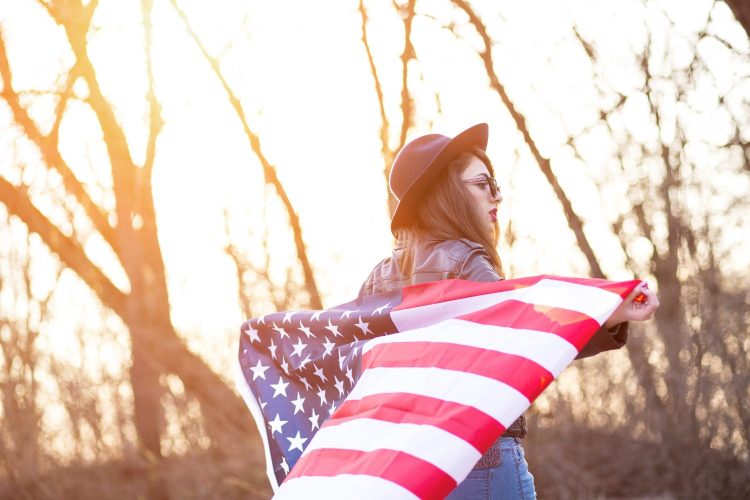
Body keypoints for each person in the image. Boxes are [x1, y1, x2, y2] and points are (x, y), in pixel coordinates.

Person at [357, 123, 659, 499]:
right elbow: (528, 333)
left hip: (406, 469)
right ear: (447, 193)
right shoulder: (467, 261)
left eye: (495, 185)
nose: (496, 196)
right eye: (483, 184)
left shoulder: (375, 280)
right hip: (479, 459)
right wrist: (612, 312)